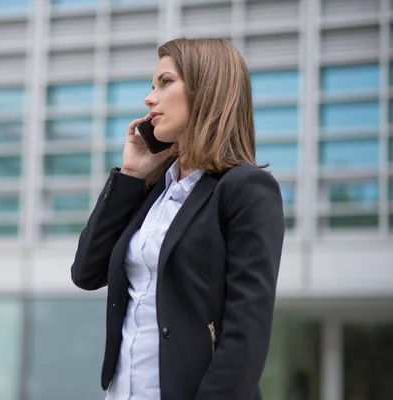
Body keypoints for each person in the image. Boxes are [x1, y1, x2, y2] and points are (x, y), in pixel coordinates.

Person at [70, 38, 285, 400]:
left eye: (165, 83)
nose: (149, 98)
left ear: (207, 90)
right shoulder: (154, 192)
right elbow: (86, 272)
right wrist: (130, 174)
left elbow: (246, 331)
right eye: (152, 86)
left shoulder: (246, 189)